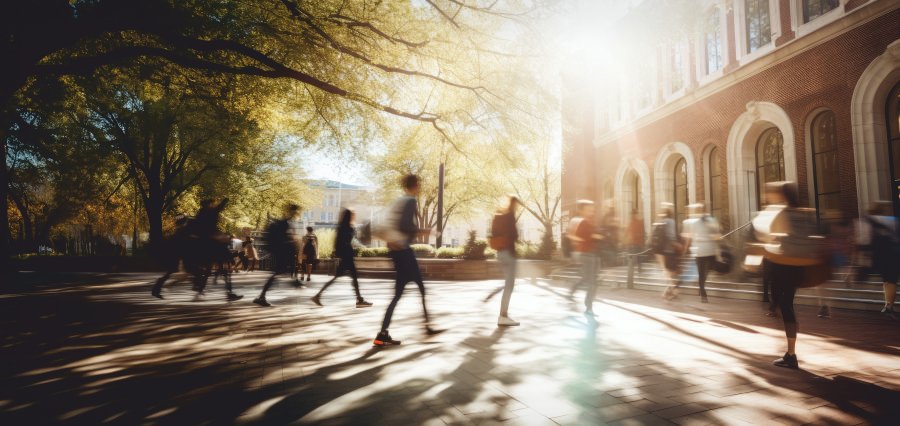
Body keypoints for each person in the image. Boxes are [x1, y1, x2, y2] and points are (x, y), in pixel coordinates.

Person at [756, 181, 827, 369]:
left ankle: (791, 354)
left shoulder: (780, 212)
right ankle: (791, 346)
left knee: (784, 306)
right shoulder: (805, 213)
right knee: (786, 304)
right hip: (802, 267)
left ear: (782, 196)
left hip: (785, 266)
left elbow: (767, 237)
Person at [373, 174, 444, 346]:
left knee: (398, 294)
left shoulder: (400, 201)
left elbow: (393, 225)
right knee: (420, 287)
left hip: (396, 252)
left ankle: (382, 333)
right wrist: (426, 231)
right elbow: (405, 226)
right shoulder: (410, 201)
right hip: (404, 252)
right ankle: (427, 327)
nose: (420, 188)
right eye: (419, 185)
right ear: (415, 185)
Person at [311, 208, 372, 307]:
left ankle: (318, 295)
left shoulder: (342, 227)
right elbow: (347, 241)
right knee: (353, 277)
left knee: (342, 277)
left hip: (345, 255)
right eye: (352, 215)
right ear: (349, 216)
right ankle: (359, 300)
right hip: (347, 256)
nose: (354, 216)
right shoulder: (348, 228)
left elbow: (338, 243)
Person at [253, 204, 303, 307]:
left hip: (279, 252)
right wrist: (291, 242)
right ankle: (261, 296)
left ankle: (262, 296)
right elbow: (283, 239)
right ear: (293, 212)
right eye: (296, 212)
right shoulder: (285, 223)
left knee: (278, 273)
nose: (297, 214)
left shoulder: (285, 222)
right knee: (278, 273)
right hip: (281, 253)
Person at [567, 200, 603, 316]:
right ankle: (589, 307)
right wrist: (592, 237)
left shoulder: (588, 221)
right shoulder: (582, 222)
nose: (592, 210)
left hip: (592, 254)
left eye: (592, 208)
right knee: (592, 282)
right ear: (582, 210)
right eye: (589, 208)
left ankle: (574, 293)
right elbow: (574, 236)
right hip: (587, 255)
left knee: (588, 280)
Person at [681, 203, 720, 303]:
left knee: (701, 273)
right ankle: (702, 290)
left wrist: (686, 249)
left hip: (701, 250)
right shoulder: (711, 220)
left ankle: (702, 290)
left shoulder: (696, 223)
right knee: (706, 270)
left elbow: (690, 237)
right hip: (708, 250)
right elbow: (717, 235)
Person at [491, 196, 520, 326]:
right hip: (509, 253)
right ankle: (503, 316)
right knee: (510, 285)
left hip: (500, 253)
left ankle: (503, 315)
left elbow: (493, 233)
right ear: (514, 204)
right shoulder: (510, 216)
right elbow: (515, 235)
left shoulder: (499, 217)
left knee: (508, 284)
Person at [867, 201, 899, 318]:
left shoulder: (870, 220)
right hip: (892, 255)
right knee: (891, 281)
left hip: (879, 255)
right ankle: (889, 307)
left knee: (886, 281)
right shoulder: (892, 220)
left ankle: (887, 305)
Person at [653, 204, 683, 300]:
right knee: (671, 272)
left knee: (668, 271)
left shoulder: (661, 222)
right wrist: (677, 245)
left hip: (661, 251)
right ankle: (673, 290)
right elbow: (671, 236)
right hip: (670, 250)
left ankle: (670, 291)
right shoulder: (671, 221)